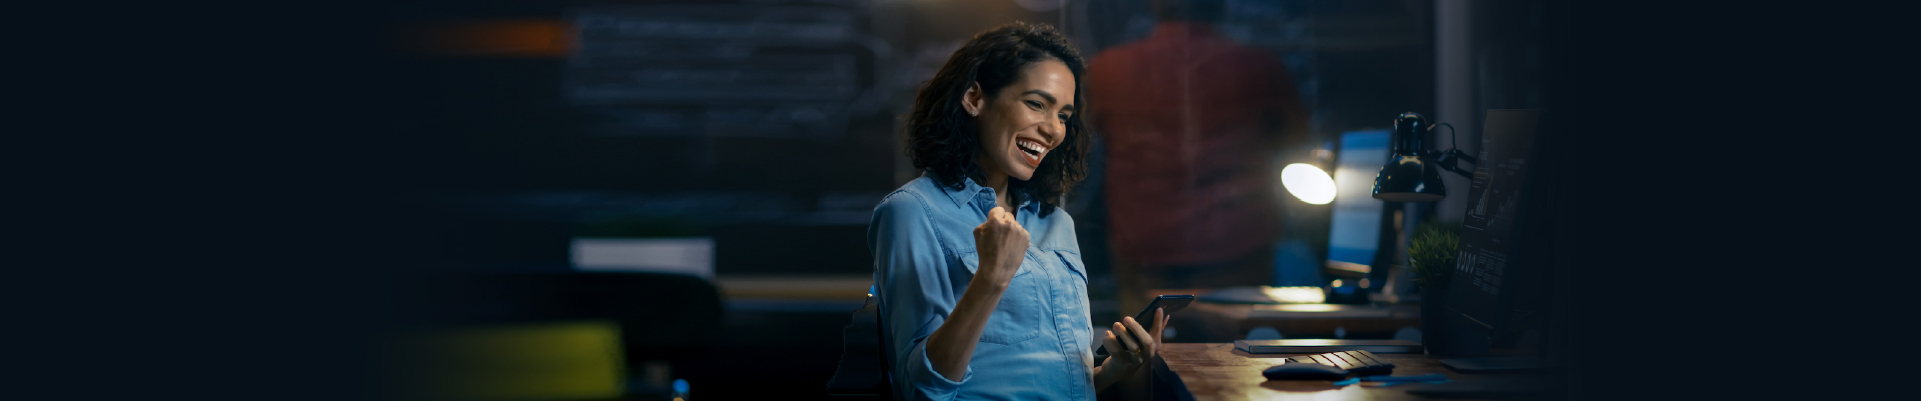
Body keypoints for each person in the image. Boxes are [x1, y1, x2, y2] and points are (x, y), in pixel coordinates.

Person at [870, 22, 1168, 400]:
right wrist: (991, 279)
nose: (1053, 130)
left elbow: (1037, 376)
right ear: (975, 98)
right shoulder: (911, 212)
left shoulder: (1056, 223)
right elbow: (919, 389)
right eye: (1036, 104)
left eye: (1063, 115)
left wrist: (1110, 372)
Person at [1085, 0, 1311, 316]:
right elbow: (1297, 139)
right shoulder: (1259, 65)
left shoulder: (1107, 69)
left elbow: (1079, 145)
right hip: (1239, 243)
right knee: (1236, 354)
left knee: (1145, 351)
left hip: (1143, 246)